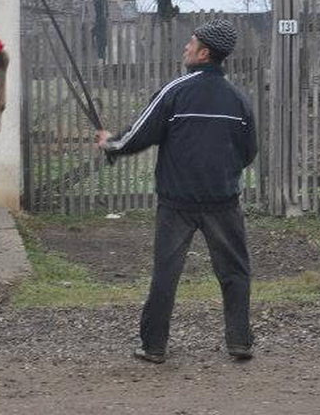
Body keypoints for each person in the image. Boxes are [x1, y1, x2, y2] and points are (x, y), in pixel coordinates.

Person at [96, 18, 258, 364]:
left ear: (204, 53)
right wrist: (223, 175)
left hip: (177, 203)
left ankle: (154, 346)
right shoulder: (238, 100)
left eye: (191, 42)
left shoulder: (175, 91)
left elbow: (139, 134)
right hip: (224, 201)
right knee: (235, 272)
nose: (186, 47)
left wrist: (111, 143)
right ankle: (240, 342)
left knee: (166, 273)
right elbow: (249, 152)